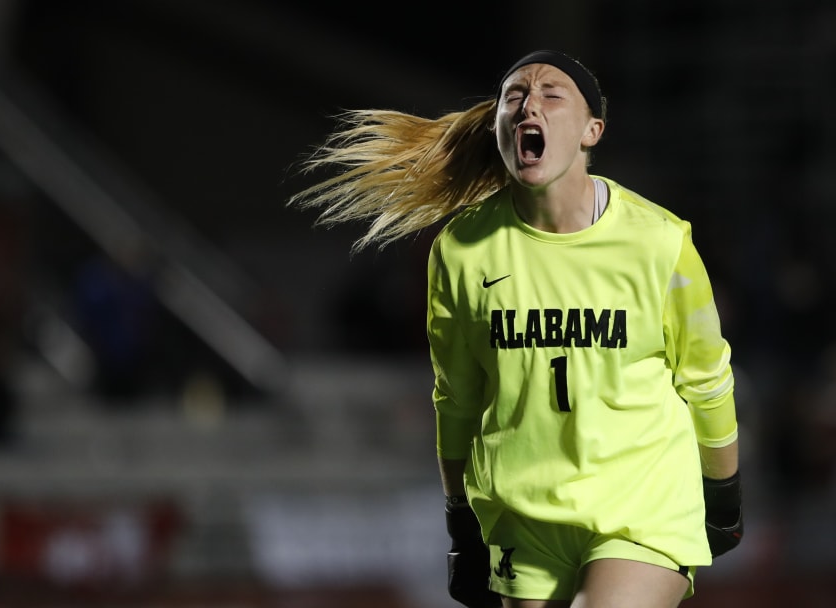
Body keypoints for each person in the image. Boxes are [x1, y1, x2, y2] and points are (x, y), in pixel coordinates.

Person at [288, 49, 743, 608]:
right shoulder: (461, 250)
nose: (530, 105)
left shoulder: (660, 242)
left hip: (642, 508)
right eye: (514, 98)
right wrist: (460, 523)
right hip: (523, 517)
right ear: (502, 129)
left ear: (591, 130)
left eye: (553, 94)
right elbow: (457, 398)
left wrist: (724, 493)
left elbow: (705, 378)